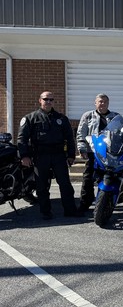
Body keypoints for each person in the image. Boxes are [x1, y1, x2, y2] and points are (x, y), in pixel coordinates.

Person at [17, 91, 78, 219]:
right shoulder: (30, 118)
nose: (48, 102)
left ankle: (70, 210)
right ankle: (45, 212)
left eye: (51, 99)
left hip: (58, 155)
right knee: (41, 186)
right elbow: (22, 139)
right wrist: (24, 156)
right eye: (46, 99)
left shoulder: (61, 119)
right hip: (40, 156)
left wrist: (71, 155)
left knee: (65, 184)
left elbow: (69, 138)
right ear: (40, 100)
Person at [76, 93, 121, 213]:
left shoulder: (115, 116)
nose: (103, 103)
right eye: (100, 101)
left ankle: (104, 203)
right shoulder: (88, 116)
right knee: (88, 177)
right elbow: (81, 133)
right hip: (93, 152)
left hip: (110, 153)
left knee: (109, 177)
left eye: (105, 101)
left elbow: (121, 133)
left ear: (108, 103)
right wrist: (82, 149)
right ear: (95, 103)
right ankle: (84, 203)